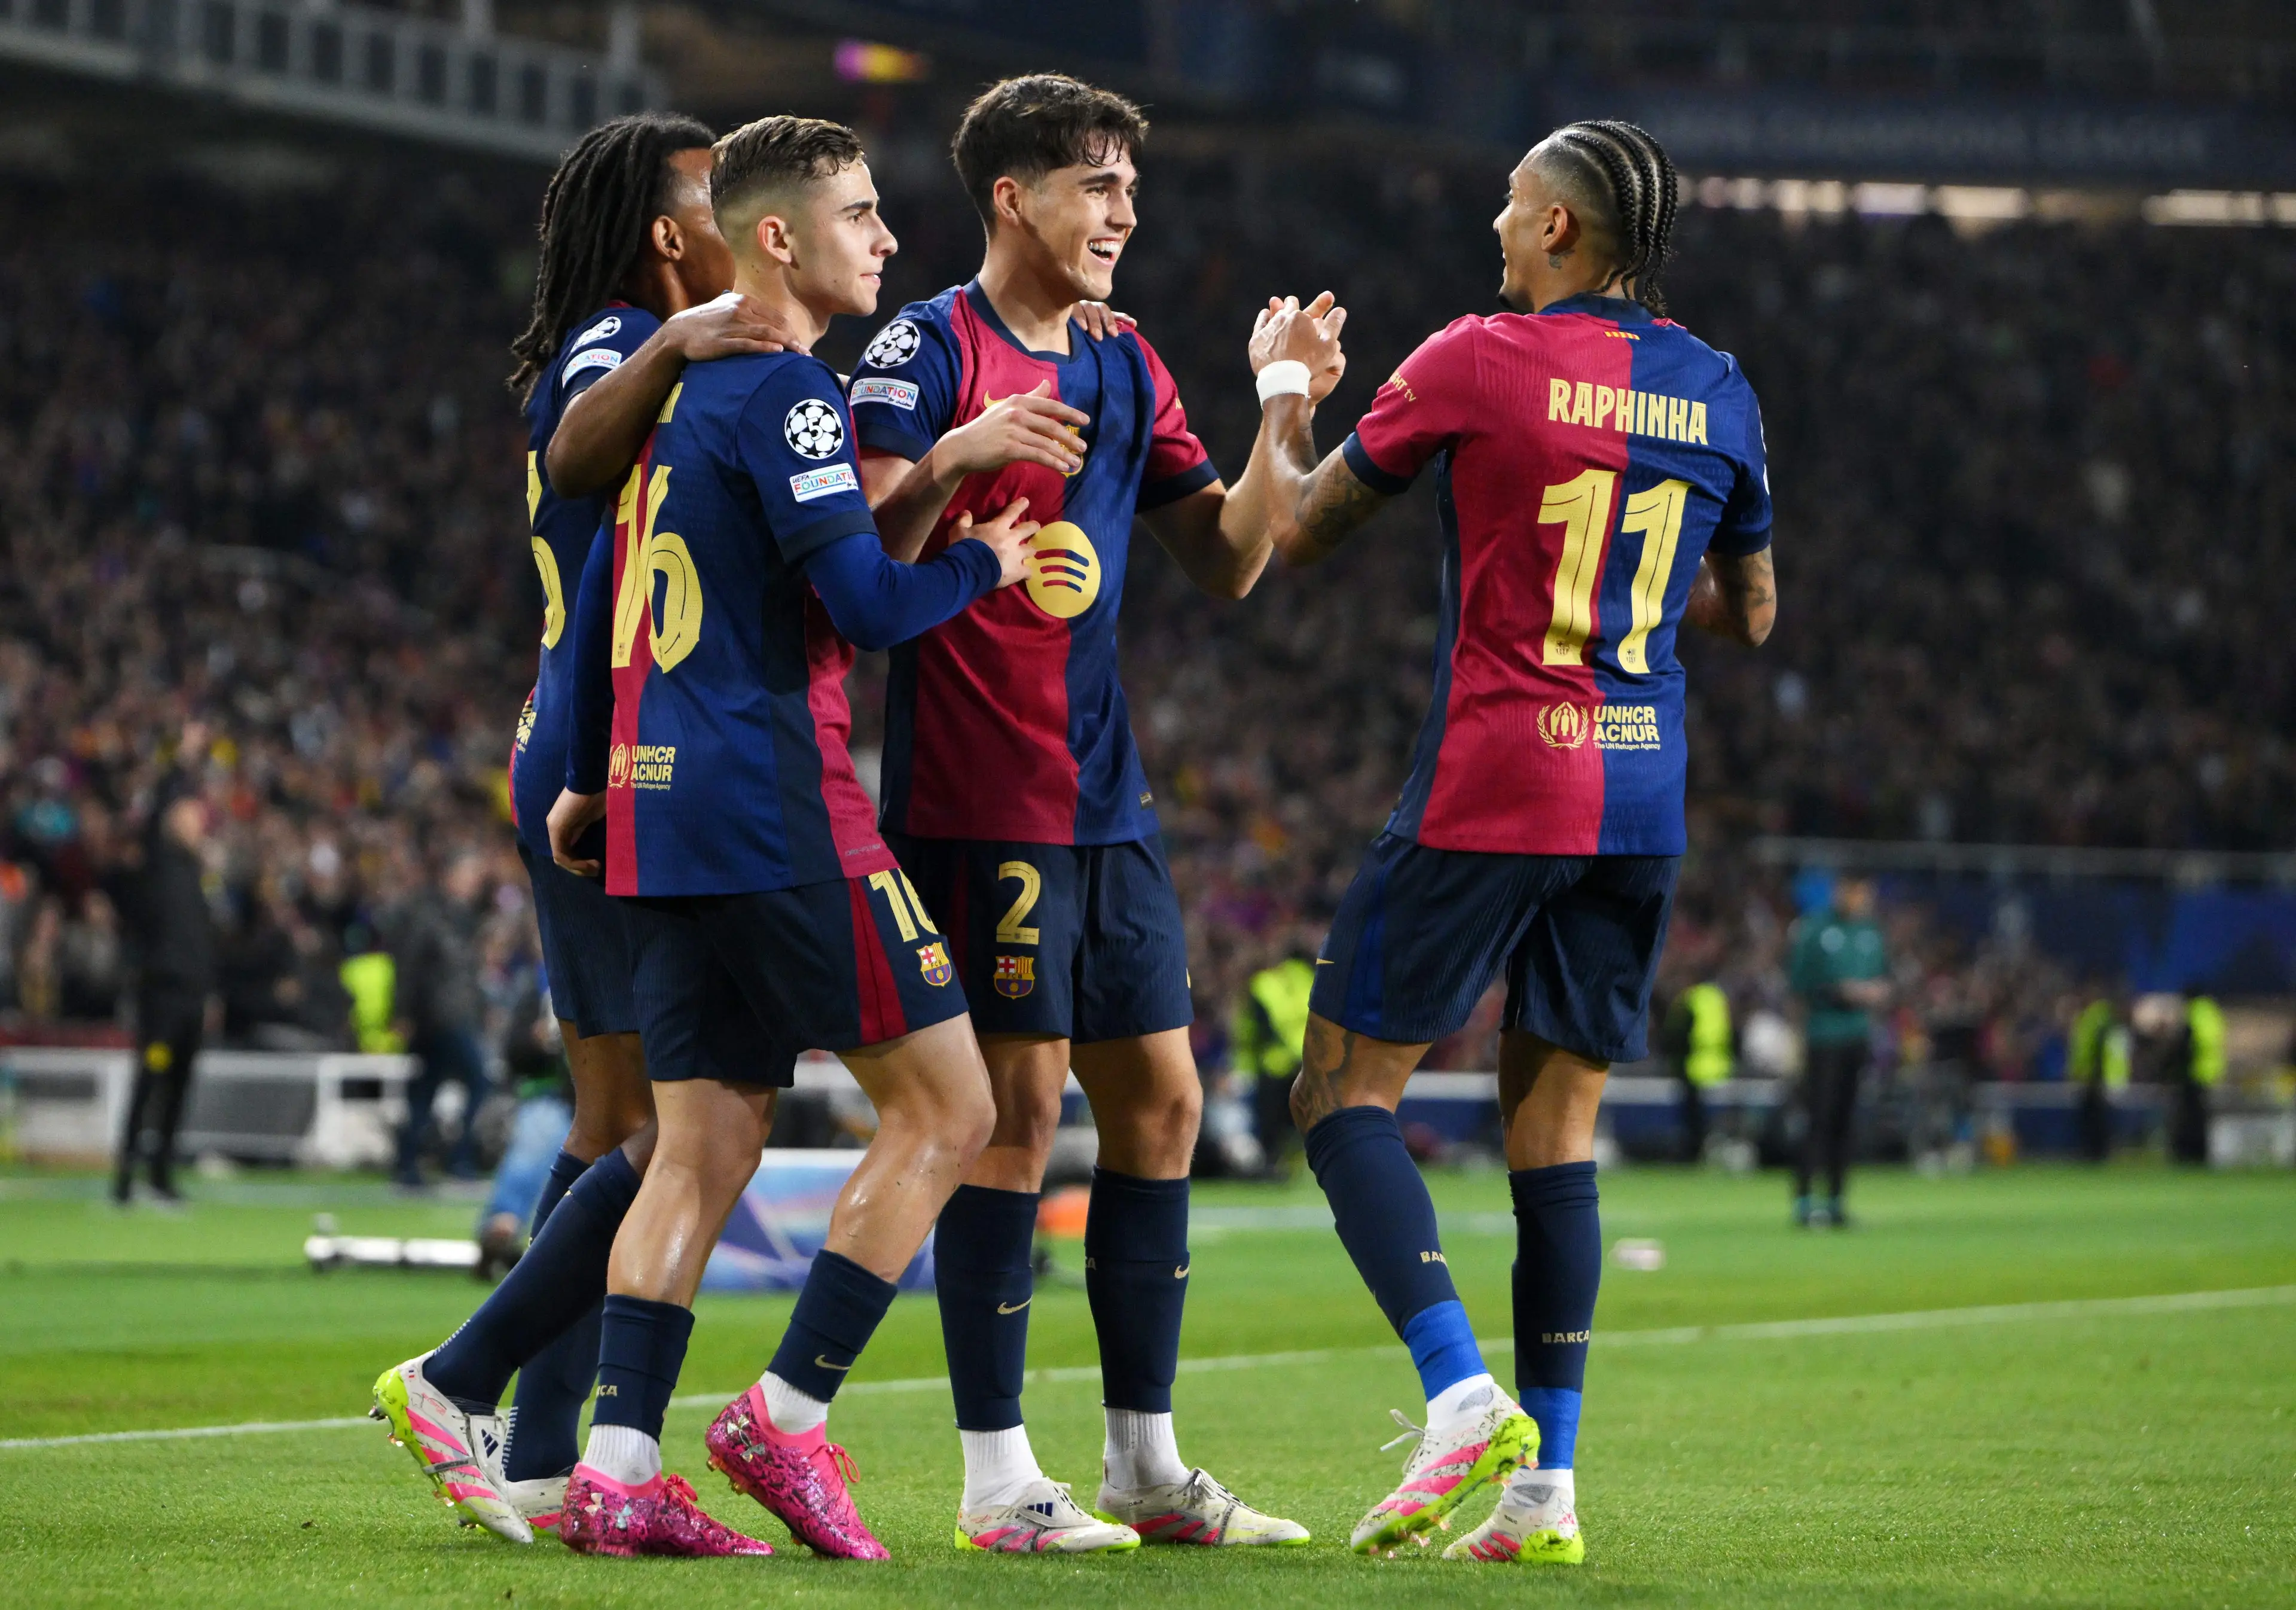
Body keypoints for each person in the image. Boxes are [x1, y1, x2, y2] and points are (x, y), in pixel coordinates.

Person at [1247, 119, 1776, 1564]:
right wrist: (1624, 588)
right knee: (1556, 1130)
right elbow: (1752, 610)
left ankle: (1455, 1390)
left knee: (1337, 1090)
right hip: (1641, 793)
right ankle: (1545, 1494)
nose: (1494, 217)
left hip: (1497, 775)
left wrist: (1286, 391)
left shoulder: (1476, 355)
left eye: (1508, 199)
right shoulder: (1719, 387)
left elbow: (1294, 531)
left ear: (1557, 230)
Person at [523, 112, 1034, 1560]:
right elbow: (867, 609)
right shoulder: (792, 393)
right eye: (862, 213)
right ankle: (785, 1413)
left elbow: (606, 590)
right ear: (775, 239)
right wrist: (985, 560)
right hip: (776, 807)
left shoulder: (668, 399)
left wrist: (582, 774)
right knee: (949, 1108)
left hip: (653, 806)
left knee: (702, 1142)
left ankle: (617, 1465)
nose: (884, 237)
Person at [841, 73, 1318, 1551]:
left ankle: (1142, 1461)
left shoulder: (1124, 364)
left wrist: (1284, 409)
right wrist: (955, 459)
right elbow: (854, 568)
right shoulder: (919, 350)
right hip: (975, 788)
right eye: (1095, 184)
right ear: (1014, 196)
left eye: (1126, 184)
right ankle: (996, 1474)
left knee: (1164, 1103)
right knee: (1018, 1112)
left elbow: (1230, 558)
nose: (1124, 211)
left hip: (1105, 792)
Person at [371, 111, 801, 1539]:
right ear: (670, 233)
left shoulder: (660, 344)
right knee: (686, 1123)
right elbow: (574, 452)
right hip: (611, 768)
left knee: (630, 1119)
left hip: (593, 748)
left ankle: (544, 1448)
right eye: (712, 196)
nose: (742, 216)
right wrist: (684, 347)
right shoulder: (621, 342)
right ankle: (465, 1378)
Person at [113, 758, 218, 1204]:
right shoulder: (162, 863)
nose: (199, 827)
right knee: (150, 1081)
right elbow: (156, 807)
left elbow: (206, 943)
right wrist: (184, 757)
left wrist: (212, 994)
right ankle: (124, 1176)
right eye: (190, 817)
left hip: (193, 999)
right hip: (162, 997)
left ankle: (161, 1175)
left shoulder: (198, 877)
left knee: (178, 1088)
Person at [387, 847, 493, 1186]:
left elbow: (468, 975)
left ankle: (409, 1165)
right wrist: (402, 1013)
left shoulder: (463, 918)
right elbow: (410, 968)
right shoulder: (432, 917)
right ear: (451, 877)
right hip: (439, 1019)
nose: (475, 884)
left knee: (425, 1091)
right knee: (477, 1082)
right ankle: (457, 1159)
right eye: (469, 876)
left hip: (452, 1016)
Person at [1787, 876, 1888, 1227]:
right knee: (1819, 1118)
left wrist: (1874, 992)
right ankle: (1803, 1201)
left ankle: (1836, 1200)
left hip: (1857, 1036)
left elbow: (1883, 978)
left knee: (1846, 1121)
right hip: (1823, 1035)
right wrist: (1836, 991)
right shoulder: (1815, 930)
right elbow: (1798, 982)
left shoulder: (1871, 933)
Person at [1234, 940, 1317, 1172]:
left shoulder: (1265, 984)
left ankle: (1272, 1166)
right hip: (1308, 1064)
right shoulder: (1313, 982)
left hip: (1272, 1065)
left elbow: (1258, 1030)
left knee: (1271, 1125)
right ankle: (1306, 1167)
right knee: (1304, 1122)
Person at [1659, 978, 1733, 1163]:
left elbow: (1677, 1034)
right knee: (1710, 1118)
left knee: (1692, 1117)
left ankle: (1692, 1154)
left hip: (1694, 1066)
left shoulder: (1689, 1001)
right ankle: (1708, 1152)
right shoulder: (1717, 999)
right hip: (1720, 1066)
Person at [2067, 987, 2129, 1162]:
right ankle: (2097, 1154)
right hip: (2101, 1079)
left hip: (2094, 1079)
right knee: (2096, 1120)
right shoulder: (2104, 1019)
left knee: (2094, 1121)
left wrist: (2091, 1077)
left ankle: (2094, 1155)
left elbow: (2095, 1051)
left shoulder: (2096, 1019)